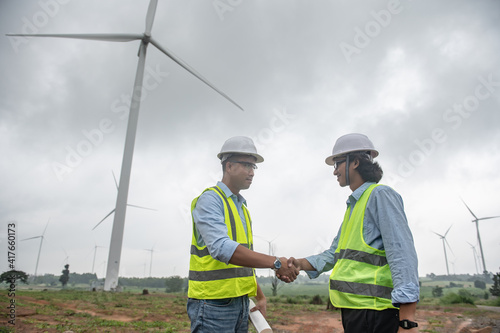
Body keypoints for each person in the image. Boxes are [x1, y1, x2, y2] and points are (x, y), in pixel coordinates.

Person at [282, 133, 419, 332]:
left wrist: (407, 320)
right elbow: (333, 254)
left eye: (337, 164)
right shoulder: (354, 206)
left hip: (375, 312)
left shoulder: (380, 195)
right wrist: (300, 264)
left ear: (355, 162)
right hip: (355, 311)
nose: (334, 171)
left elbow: (402, 254)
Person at [187, 136, 298, 333]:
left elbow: (243, 264)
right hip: (213, 305)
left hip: (241, 304)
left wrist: (260, 296)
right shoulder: (210, 201)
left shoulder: (242, 208)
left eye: (254, 167)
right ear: (228, 166)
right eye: (247, 165)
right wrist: (277, 263)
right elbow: (223, 249)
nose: (252, 172)